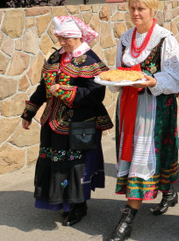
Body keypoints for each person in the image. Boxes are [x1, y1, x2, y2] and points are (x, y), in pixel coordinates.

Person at [106, 0, 179, 241]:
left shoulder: (165, 39)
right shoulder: (126, 38)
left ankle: (127, 219)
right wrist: (115, 79)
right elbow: (120, 72)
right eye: (132, 8)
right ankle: (168, 191)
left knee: (148, 156)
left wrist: (152, 82)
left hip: (155, 108)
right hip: (129, 107)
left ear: (153, 10)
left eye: (141, 9)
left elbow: (174, 79)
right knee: (139, 155)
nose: (136, 13)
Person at [21, 16, 111, 227]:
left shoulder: (91, 61)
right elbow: (43, 88)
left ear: (77, 36)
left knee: (74, 167)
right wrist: (29, 113)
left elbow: (95, 96)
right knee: (55, 164)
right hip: (52, 123)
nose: (61, 43)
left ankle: (78, 205)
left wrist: (64, 91)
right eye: (59, 38)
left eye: (65, 38)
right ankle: (61, 201)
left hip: (79, 125)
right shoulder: (55, 58)